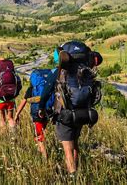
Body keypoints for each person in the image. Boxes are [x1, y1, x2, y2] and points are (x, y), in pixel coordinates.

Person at [38, 42, 102, 174]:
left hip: (65, 114)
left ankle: (73, 175)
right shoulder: (86, 72)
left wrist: (41, 108)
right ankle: (76, 169)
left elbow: (45, 93)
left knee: (68, 148)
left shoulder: (59, 72)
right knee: (75, 143)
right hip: (84, 112)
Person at [14, 68, 57, 159]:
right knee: (44, 129)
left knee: (39, 135)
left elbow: (23, 102)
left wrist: (17, 114)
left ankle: (45, 158)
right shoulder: (50, 86)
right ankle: (44, 149)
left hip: (37, 112)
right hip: (50, 109)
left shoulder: (32, 88)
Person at [0, 57, 21, 131]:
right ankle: (13, 135)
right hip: (11, 98)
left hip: (0, 99)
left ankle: (3, 135)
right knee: (10, 118)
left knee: (2, 117)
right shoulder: (13, 73)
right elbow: (18, 84)